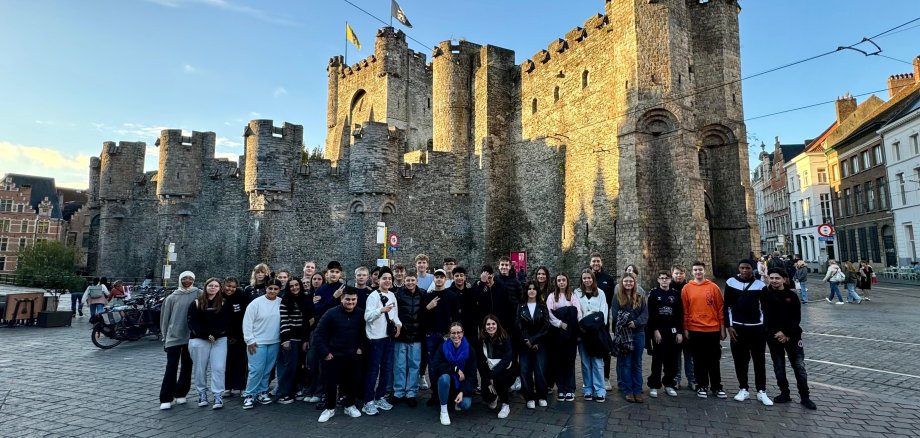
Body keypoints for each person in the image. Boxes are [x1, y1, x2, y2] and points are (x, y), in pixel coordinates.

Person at [763, 268, 817, 410]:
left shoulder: (791, 296)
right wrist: (776, 333)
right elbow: (766, 317)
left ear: (784, 279)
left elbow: (796, 318)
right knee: (779, 366)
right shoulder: (765, 294)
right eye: (772, 278)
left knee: (799, 367)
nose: (774, 281)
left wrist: (785, 333)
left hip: (792, 336)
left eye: (777, 278)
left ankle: (805, 397)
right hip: (774, 337)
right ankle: (784, 393)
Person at [724, 259, 773, 406]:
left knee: (759, 361)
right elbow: (727, 305)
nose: (745, 271)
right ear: (739, 268)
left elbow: (765, 308)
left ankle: (761, 391)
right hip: (738, 328)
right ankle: (743, 388)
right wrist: (729, 325)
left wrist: (763, 326)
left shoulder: (760, 285)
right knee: (740, 361)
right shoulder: (731, 282)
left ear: (753, 269)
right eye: (742, 268)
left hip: (756, 328)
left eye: (748, 268)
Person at [314, 288, 366, 423]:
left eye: (353, 299)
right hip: (333, 355)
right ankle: (329, 408)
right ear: (341, 299)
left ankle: (350, 405)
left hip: (353, 355)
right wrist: (325, 353)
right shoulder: (330, 313)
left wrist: (361, 348)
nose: (350, 302)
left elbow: (364, 333)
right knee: (330, 384)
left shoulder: (360, 313)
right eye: (347, 299)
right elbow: (319, 334)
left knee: (352, 382)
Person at [682, 261, 726, 399]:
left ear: (704, 271)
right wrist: (686, 328)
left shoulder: (713, 287)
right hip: (695, 328)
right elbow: (685, 310)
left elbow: (720, 309)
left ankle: (716, 387)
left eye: (700, 270)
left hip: (713, 329)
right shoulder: (687, 288)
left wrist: (722, 328)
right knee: (699, 360)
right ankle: (702, 385)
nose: (698, 272)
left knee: (713, 359)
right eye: (695, 270)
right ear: (692, 272)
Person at [159, 271, 202, 410]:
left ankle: (181, 393)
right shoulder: (172, 297)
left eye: (190, 278)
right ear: (180, 280)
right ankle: (166, 397)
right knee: (171, 366)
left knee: (187, 366)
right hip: (174, 337)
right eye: (185, 278)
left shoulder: (198, 293)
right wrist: (165, 337)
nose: (188, 281)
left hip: (191, 336)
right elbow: (165, 319)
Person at [187, 277, 232, 409]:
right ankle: (202, 393)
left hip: (219, 339)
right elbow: (192, 322)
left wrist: (216, 334)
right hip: (200, 339)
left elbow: (227, 321)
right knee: (200, 368)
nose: (213, 288)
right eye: (210, 285)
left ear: (219, 288)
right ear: (206, 287)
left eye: (216, 286)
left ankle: (218, 394)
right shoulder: (196, 303)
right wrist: (206, 335)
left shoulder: (224, 303)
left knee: (218, 367)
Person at [363, 268, 401, 416]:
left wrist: (398, 325)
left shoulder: (392, 295)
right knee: (373, 371)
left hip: (388, 338)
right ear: (378, 280)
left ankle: (379, 397)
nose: (387, 281)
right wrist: (381, 310)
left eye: (389, 279)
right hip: (375, 339)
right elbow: (367, 316)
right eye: (384, 278)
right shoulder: (373, 296)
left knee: (386, 369)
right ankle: (368, 401)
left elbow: (395, 315)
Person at [241, 279, 282, 410]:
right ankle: (249, 395)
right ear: (266, 288)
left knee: (267, 370)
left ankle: (262, 392)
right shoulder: (255, 303)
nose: (273, 291)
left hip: (274, 342)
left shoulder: (281, 303)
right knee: (256, 369)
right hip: (257, 342)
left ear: (279, 290)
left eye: (276, 289)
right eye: (270, 288)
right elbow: (247, 322)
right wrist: (249, 340)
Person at [422, 269, 460, 405]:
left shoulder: (452, 296)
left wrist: (454, 334)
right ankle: (435, 394)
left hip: (446, 336)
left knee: (449, 362)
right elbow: (421, 316)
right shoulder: (427, 296)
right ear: (434, 279)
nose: (439, 279)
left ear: (445, 279)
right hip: (431, 335)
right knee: (433, 365)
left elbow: (456, 317)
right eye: (437, 277)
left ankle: (449, 392)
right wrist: (428, 308)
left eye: (441, 277)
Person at [430, 322, 478, 426]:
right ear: (449, 334)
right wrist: (455, 369)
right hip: (448, 382)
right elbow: (435, 365)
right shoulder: (443, 347)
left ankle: (455, 398)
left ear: (463, 333)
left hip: (462, 384)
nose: (456, 335)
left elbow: (472, 375)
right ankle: (443, 411)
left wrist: (462, 391)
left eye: (459, 332)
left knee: (465, 405)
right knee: (444, 378)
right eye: (453, 333)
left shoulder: (470, 349)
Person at [611, 273, 648, 403]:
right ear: (622, 283)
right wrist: (629, 322)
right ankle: (628, 390)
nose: (628, 283)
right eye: (626, 281)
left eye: (630, 281)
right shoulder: (617, 297)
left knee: (637, 363)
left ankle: (637, 390)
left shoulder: (640, 297)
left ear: (634, 283)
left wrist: (636, 323)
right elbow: (616, 315)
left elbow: (645, 314)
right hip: (624, 334)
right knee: (626, 363)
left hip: (638, 333)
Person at [276, 277, 313, 404]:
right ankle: (286, 393)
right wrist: (285, 339)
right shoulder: (285, 300)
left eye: (296, 285)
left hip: (301, 338)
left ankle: (297, 390)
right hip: (290, 338)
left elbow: (308, 321)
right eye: (291, 286)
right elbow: (284, 320)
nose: (294, 288)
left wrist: (305, 340)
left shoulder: (306, 299)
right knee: (290, 366)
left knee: (299, 366)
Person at [646, 271, 683, 398]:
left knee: (671, 360)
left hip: (672, 331)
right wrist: (655, 330)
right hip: (659, 331)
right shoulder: (654, 294)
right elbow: (651, 313)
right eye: (661, 278)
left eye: (666, 278)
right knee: (657, 359)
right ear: (658, 280)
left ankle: (669, 384)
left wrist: (679, 332)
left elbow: (679, 314)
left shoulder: (675, 294)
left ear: (670, 280)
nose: (664, 280)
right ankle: (654, 385)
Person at [546, 273, 581, 402]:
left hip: (570, 333)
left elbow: (578, 311)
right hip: (557, 333)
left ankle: (570, 388)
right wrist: (560, 323)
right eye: (559, 280)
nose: (561, 282)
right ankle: (561, 388)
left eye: (563, 280)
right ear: (556, 282)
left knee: (569, 361)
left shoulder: (572, 295)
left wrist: (571, 324)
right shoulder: (551, 296)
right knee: (558, 361)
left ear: (567, 282)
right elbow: (549, 313)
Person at [574, 269, 608, 402]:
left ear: (593, 279)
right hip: (583, 332)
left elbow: (603, 313)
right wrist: (582, 326)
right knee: (585, 362)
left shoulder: (600, 293)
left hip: (596, 332)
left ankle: (600, 389)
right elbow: (577, 311)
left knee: (597, 362)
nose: (587, 280)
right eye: (584, 278)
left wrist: (595, 326)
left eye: (589, 278)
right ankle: (587, 388)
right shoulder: (577, 293)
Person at [516, 281, 549, 408]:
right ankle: (529, 397)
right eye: (529, 289)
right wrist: (527, 340)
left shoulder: (542, 305)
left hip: (539, 343)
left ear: (537, 291)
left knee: (540, 370)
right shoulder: (521, 306)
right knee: (525, 370)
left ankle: (541, 395)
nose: (531, 291)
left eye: (534, 288)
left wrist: (535, 340)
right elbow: (518, 325)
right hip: (524, 344)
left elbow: (546, 326)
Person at [393, 271, 424, 407]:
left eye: (412, 280)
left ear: (416, 281)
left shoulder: (422, 294)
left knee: (414, 365)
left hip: (416, 335)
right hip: (402, 335)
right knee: (399, 365)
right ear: (404, 281)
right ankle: (398, 392)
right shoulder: (398, 294)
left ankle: (411, 392)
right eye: (408, 280)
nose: (410, 283)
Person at [478, 315, 517, 418]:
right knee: (486, 396)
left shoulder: (505, 338)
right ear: (484, 327)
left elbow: (507, 359)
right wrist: (487, 379)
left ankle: (505, 404)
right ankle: (494, 396)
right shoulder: (482, 339)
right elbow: (481, 362)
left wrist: (492, 375)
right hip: (490, 371)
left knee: (499, 379)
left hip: (505, 371)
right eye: (488, 324)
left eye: (493, 324)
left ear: (497, 325)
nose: (491, 326)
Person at [589, 253, 616, 393]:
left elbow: (610, 300)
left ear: (601, 262)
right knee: (590, 349)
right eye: (594, 261)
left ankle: (605, 377)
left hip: (603, 321)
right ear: (590, 263)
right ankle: (592, 378)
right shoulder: (586, 278)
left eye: (598, 261)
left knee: (605, 348)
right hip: (588, 322)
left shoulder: (608, 279)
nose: (596, 263)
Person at [222, 276, 251, 398]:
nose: (231, 289)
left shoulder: (242, 296)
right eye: (228, 286)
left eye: (233, 287)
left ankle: (239, 386)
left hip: (239, 334)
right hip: (223, 335)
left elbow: (245, 314)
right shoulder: (220, 297)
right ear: (224, 286)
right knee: (225, 362)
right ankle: (226, 386)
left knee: (240, 361)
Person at [671, 265, 695, 390]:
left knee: (689, 355)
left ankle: (692, 380)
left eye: (681, 273)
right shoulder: (669, 288)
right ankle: (676, 379)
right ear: (672, 274)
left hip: (688, 326)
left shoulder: (690, 288)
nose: (678, 275)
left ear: (685, 274)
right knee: (676, 355)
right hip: (674, 327)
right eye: (676, 273)